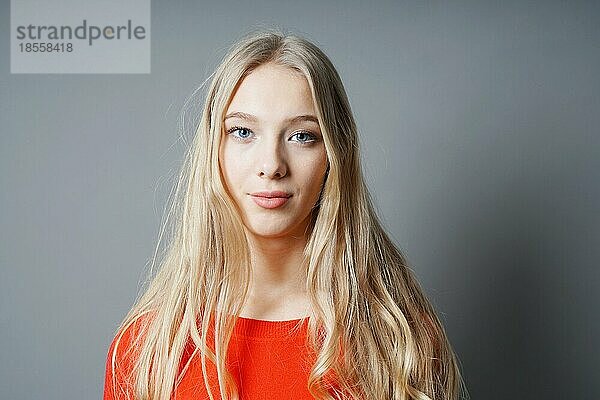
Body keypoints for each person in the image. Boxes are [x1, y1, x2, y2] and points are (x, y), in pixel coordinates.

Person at [104, 29, 464, 400]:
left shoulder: (397, 343)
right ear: (214, 151)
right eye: (243, 132)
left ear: (334, 156)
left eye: (302, 136)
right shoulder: (146, 349)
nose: (272, 165)